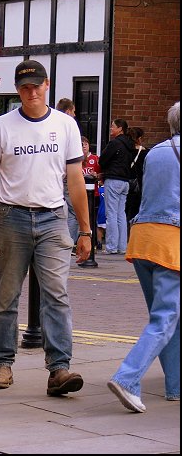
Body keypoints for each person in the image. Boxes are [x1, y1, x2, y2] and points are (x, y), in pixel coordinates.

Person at [0, 59, 91, 396]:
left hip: (53, 217)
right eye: (25, 87)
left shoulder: (65, 125)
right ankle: (2, 364)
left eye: (36, 86)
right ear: (17, 90)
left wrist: (85, 230)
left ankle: (59, 369)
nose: (31, 92)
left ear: (47, 85)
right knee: (6, 296)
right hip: (10, 217)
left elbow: (75, 179)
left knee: (57, 295)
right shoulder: (2, 126)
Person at [108, 101, 180, 413]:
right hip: (170, 242)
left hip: (143, 239)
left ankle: (176, 386)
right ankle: (127, 377)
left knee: (168, 317)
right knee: (165, 318)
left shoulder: (157, 151)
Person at [99, 118, 135, 254]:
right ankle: (122, 247)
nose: (111, 129)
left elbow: (102, 160)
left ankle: (111, 247)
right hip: (125, 182)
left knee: (111, 214)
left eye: (113, 126)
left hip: (113, 180)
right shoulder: (129, 145)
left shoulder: (114, 143)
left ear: (120, 128)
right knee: (121, 214)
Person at [57, 99, 81, 243]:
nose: (74, 115)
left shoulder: (51, 125)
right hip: (67, 176)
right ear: (68, 111)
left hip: (55, 176)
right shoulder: (70, 127)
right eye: (73, 111)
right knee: (73, 212)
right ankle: (69, 242)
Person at [125, 126, 148, 225]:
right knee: (135, 213)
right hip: (138, 185)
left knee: (122, 213)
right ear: (139, 138)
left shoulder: (124, 150)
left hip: (123, 182)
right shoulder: (146, 152)